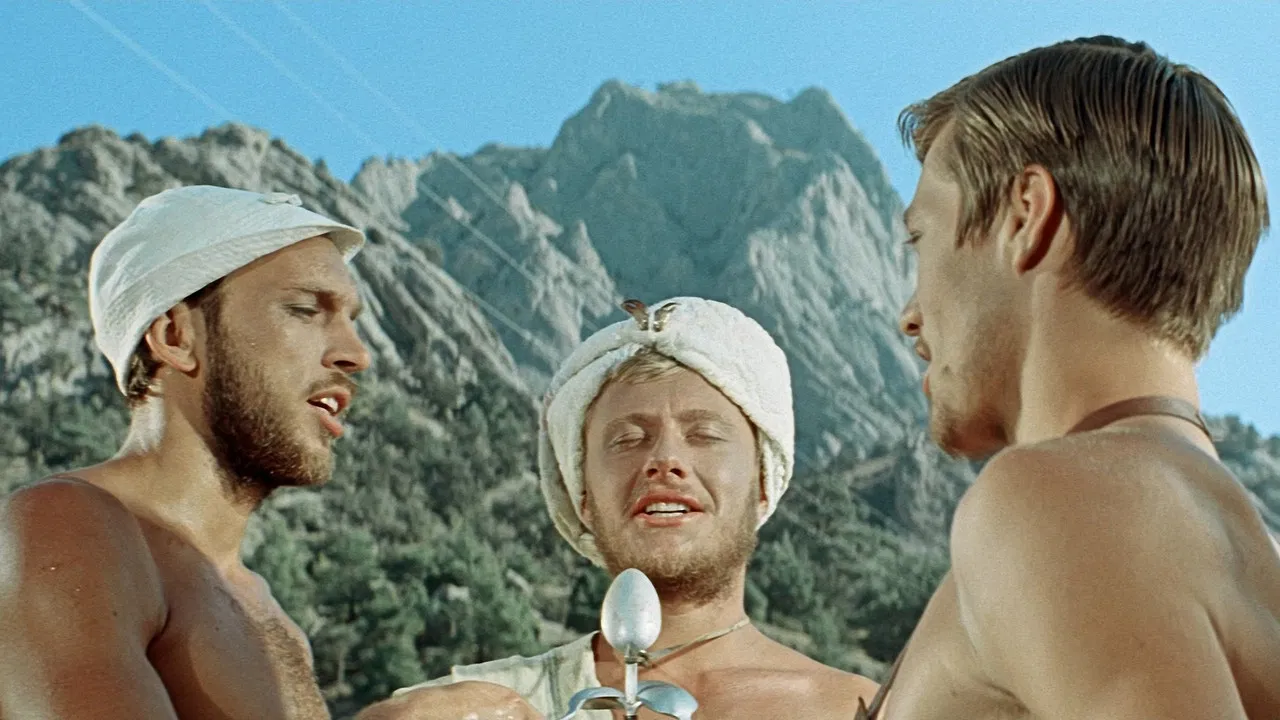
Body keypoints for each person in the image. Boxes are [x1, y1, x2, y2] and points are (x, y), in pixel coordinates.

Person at [857, 36, 1280, 719]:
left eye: (921, 240)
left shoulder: (1057, 505)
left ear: (1025, 216)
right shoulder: (1245, 552)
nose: (910, 314)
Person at [360, 297, 880, 719]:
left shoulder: (860, 709)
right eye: (628, 439)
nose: (665, 460)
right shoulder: (477, 702)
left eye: (704, 434)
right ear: (583, 498)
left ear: (763, 482)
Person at [0, 186, 372, 718]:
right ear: (175, 336)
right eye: (305, 309)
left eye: (352, 320)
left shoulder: (272, 617)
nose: (357, 354)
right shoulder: (65, 525)